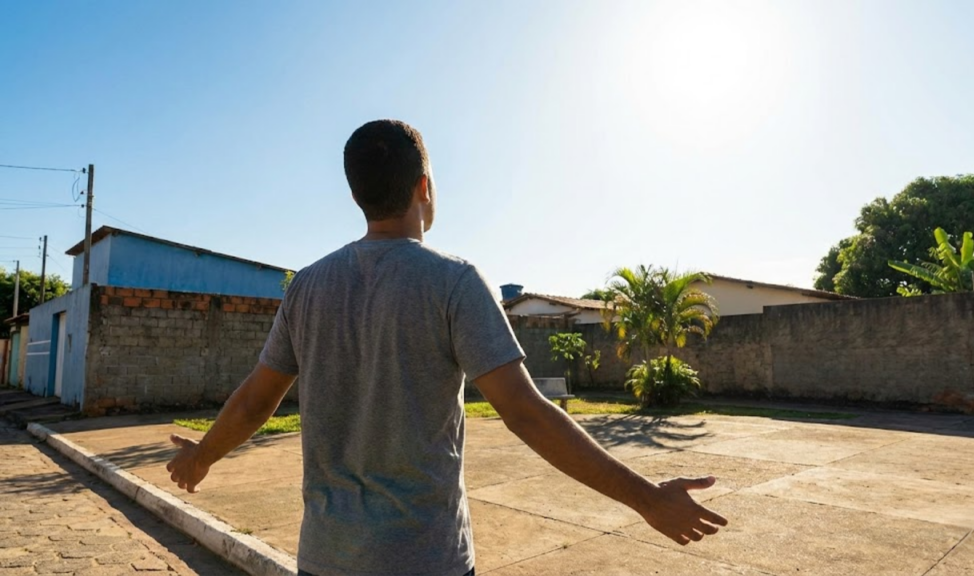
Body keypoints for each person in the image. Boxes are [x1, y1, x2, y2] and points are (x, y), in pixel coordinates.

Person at [166, 119, 727, 576]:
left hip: (324, 559)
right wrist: (647, 498)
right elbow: (525, 412)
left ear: (357, 195)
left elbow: (254, 401)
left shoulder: (308, 287)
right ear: (424, 187)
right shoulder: (454, 281)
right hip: (426, 561)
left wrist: (201, 456)